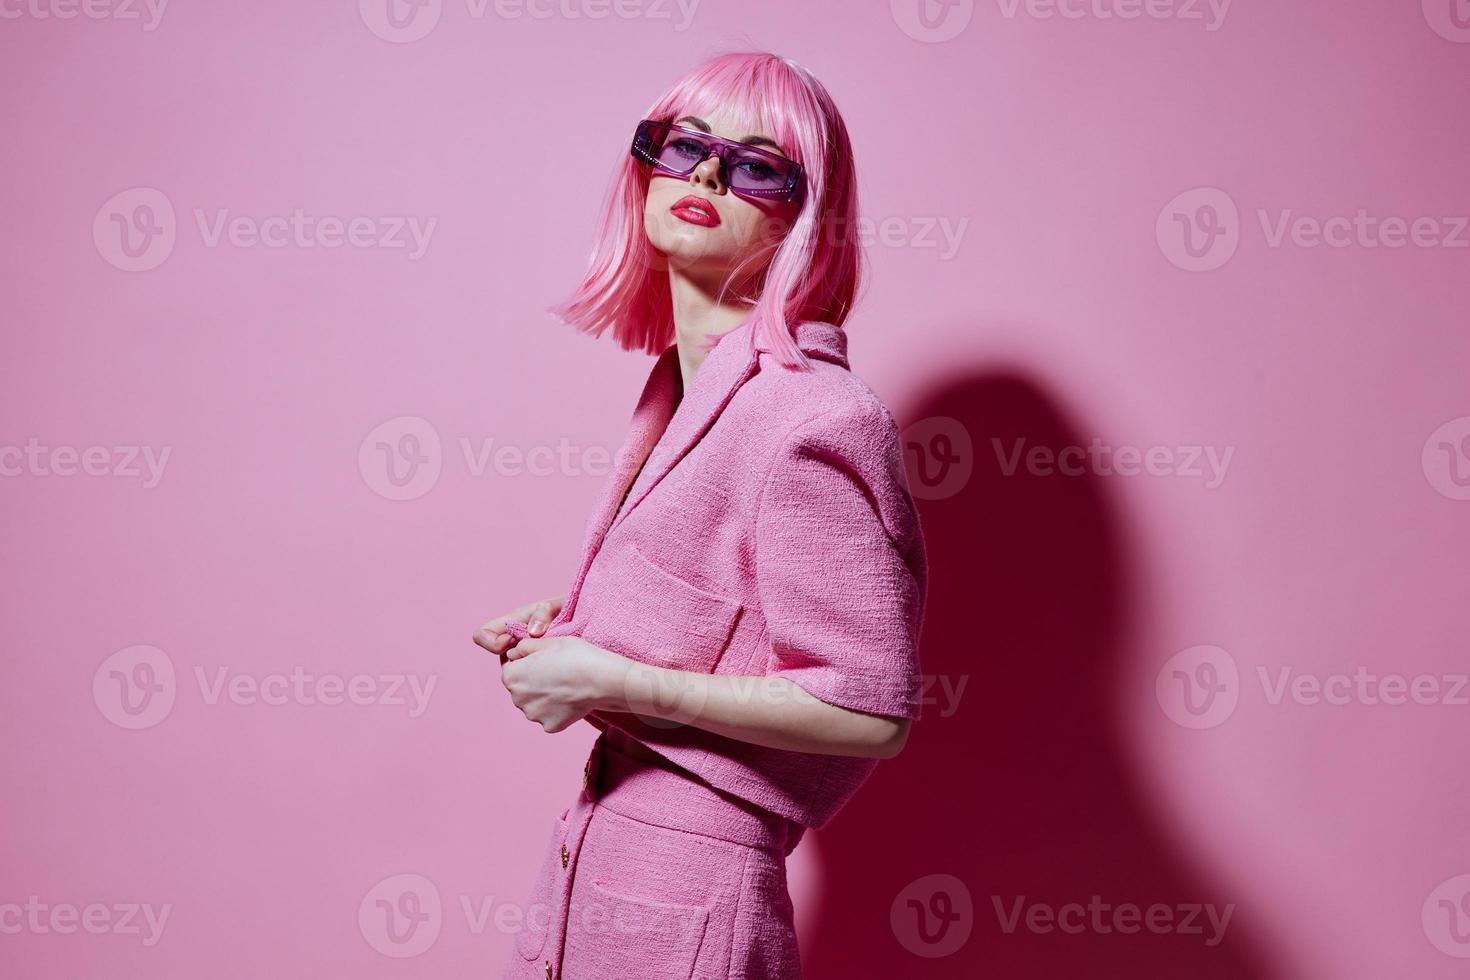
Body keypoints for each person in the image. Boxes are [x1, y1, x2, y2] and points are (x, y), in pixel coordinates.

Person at [473, 49, 929, 980]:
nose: (709, 174)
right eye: (684, 146)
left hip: (691, 899)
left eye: (757, 164)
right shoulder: (678, 394)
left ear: (805, 215)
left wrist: (607, 676)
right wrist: (572, 637)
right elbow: (727, 623)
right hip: (595, 871)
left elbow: (870, 709)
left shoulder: (814, 415)